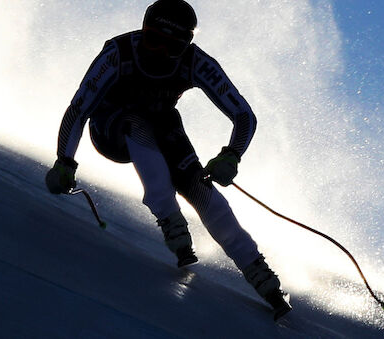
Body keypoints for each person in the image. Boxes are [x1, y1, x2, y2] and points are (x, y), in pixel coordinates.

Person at [45, 0, 290, 318]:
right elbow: (79, 107)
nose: (160, 52)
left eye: (173, 46)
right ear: (142, 31)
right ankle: (170, 218)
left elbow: (244, 115)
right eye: (153, 39)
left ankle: (259, 273)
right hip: (112, 128)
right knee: (137, 122)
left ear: (187, 45)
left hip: (162, 127)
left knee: (201, 190)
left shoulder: (195, 62)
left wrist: (231, 155)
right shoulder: (119, 52)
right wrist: (65, 160)